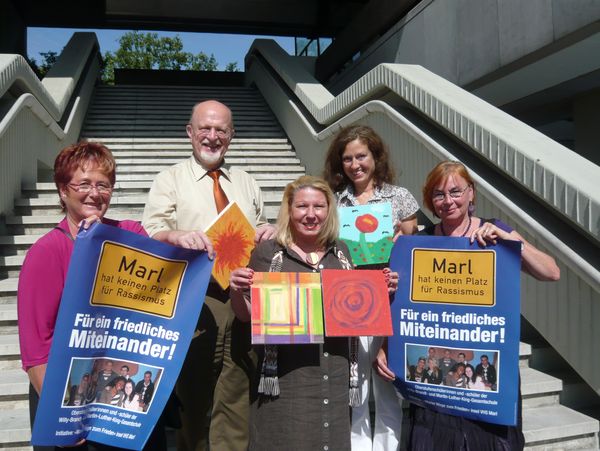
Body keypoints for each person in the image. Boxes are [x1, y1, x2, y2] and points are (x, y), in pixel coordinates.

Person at [142, 100, 276, 451]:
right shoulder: (169, 179)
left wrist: (267, 229)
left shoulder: (247, 183)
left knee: (237, 396)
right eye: (205, 128)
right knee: (194, 401)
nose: (212, 136)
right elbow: (152, 230)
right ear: (190, 132)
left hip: (243, 301)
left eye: (221, 130)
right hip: (194, 300)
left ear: (231, 136)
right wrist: (174, 236)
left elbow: (260, 224)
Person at [17, 141, 166, 451]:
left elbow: (164, 266)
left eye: (104, 185)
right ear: (62, 190)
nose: (95, 193)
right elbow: (35, 351)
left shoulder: (131, 234)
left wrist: (179, 238)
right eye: (83, 184)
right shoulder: (46, 253)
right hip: (66, 402)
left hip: (120, 407)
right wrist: (67, 416)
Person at [230, 176, 398, 451]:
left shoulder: (342, 253)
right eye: (302, 206)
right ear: (289, 210)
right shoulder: (268, 254)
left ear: (329, 211)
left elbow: (354, 307)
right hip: (287, 377)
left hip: (334, 373)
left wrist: (382, 289)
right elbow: (246, 316)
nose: (311, 214)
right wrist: (236, 290)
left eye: (319, 206)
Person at [404, 160, 560, 450]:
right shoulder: (420, 242)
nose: (448, 201)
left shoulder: (494, 232)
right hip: (436, 382)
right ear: (430, 199)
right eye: (438, 194)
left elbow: (551, 272)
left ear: (471, 193)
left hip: (485, 385)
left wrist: (511, 241)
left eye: (455, 191)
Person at [324, 124, 418, 450]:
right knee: (357, 383)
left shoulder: (400, 197)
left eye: (361, 156)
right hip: (352, 299)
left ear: (374, 156)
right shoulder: (335, 202)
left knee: (388, 382)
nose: (355, 165)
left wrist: (397, 244)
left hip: (390, 298)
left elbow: (410, 251)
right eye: (348, 158)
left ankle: (389, 446)